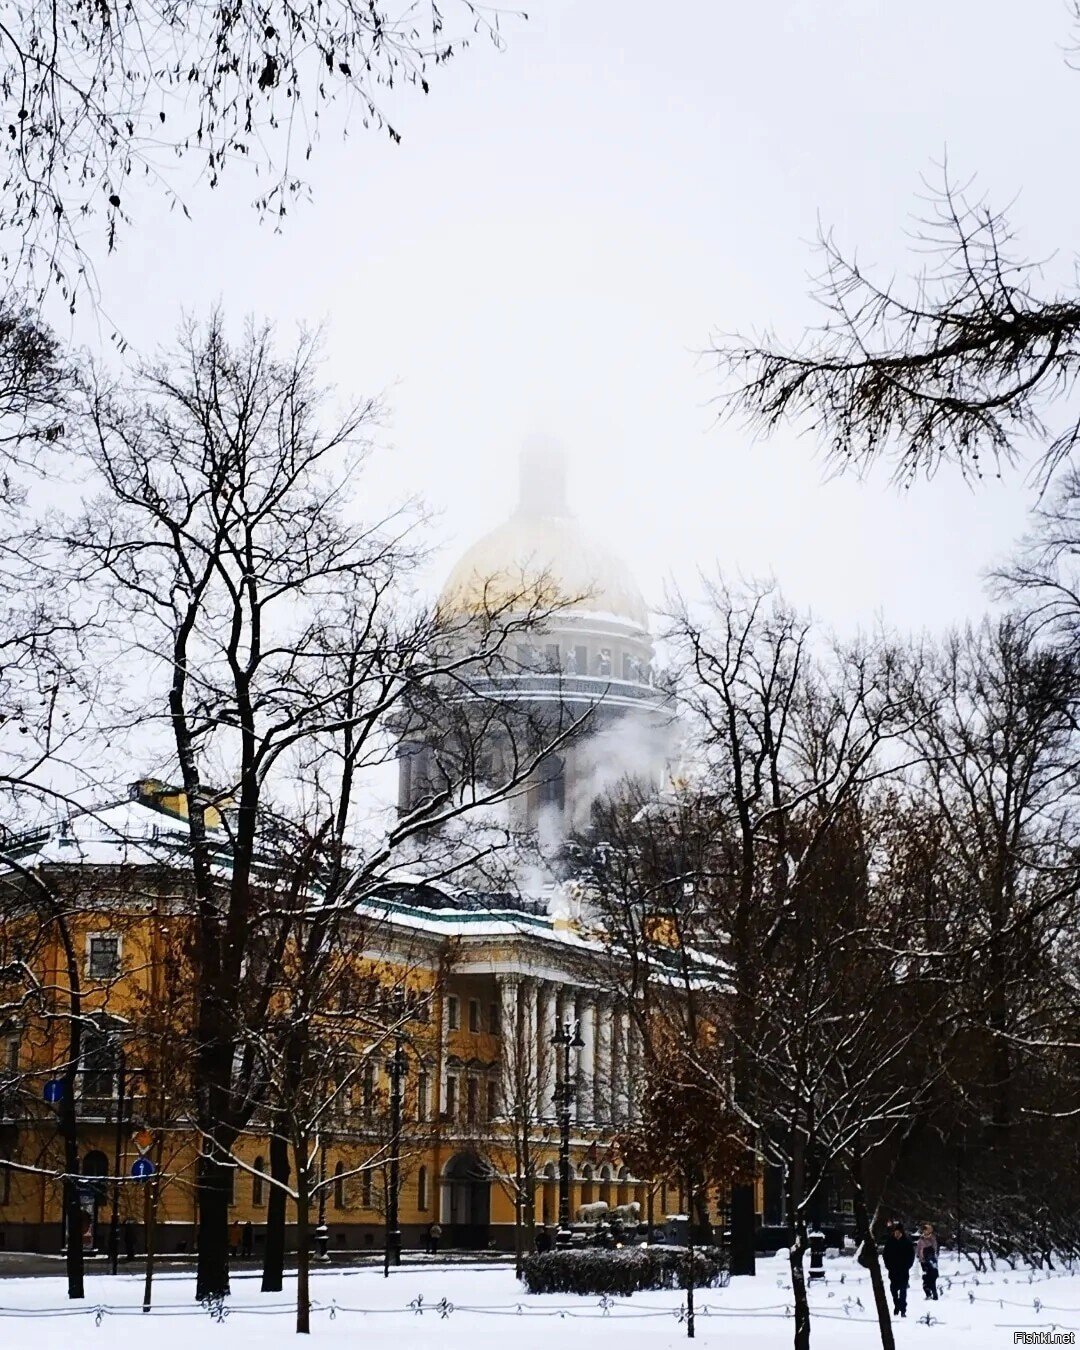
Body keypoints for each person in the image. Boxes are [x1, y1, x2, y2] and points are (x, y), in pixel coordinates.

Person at [882, 1222, 916, 1318]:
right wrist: (888, 1265)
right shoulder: (890, 1242)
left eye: (898, 1232)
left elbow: (911, 1256)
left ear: (901, 1233)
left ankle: (903, 1309)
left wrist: (908, 1265)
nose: (897, 1234)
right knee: (893, 1290)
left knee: (903, 1290)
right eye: (895, 1232)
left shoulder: (907, 1242)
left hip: (903, 1270)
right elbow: (885, 1255)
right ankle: (897, 1304)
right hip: (893, 1270)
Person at [915, 1223, 939, 1301]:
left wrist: (927, 1241)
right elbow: (918, 1249)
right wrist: (919, 1256)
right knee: (925, 1278)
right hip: (923, 1261)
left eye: (926, 1230)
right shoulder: (921, 1239)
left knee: (932, 1278)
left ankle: (934, 1295)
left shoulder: (932, 1238)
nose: (925, 1231)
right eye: (924, 1230)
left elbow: (934, 1249)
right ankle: (928, 1294)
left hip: (931, 1261)